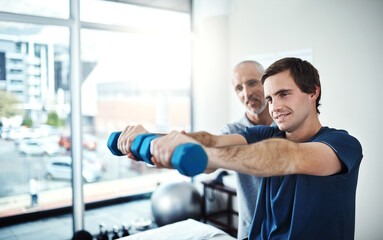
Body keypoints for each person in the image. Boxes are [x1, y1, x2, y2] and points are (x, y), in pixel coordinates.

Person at [117, 57, 363, 239]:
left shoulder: (342, 144)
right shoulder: (266, 133)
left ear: (313, 92)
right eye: (270, 98)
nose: (274, 106)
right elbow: (211, 139)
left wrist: (203, 155)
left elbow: (285, 157)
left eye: (284, 94)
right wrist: (151, 137)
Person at [221, 60, 272, 239]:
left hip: (286, 231)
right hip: (250, 232)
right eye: (239, 88)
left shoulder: (287, 128)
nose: (247, 93)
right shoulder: (231, 132)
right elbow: (207, 162)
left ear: (266, 82)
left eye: (252, 83)